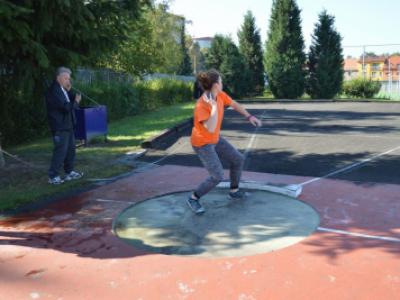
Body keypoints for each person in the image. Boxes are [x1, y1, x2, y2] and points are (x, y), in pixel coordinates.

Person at [187, 69, 262, 214]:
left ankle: (234, 190)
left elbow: (234, 104)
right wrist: (214, 107)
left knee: (237, 159)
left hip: (214, 139)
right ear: (215, 85)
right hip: (202, 143)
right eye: (220, 81)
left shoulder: (220, 95)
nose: (222, 83)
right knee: (217, 176)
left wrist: (249, 117)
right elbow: (210, 127)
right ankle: (193, 198)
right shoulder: (201, 105)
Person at [46, 67, 83, 184]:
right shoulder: (54, 91)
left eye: (69, 78)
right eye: (66, 78)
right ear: (58, 78)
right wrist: (76, 102)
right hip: (60, 126)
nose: (68, 80)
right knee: (60, 151)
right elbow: (66, 107)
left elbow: (69, 100)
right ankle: (53, 176)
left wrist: (70, 91)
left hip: (69, 125)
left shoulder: (63, 89)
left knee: (71, 150)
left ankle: (69, 172)